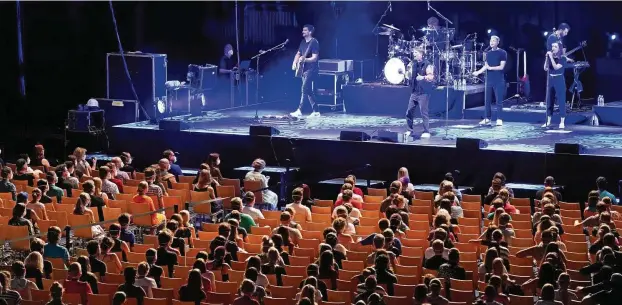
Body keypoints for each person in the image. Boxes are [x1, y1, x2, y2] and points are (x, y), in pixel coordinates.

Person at [473, 35, 507, 126]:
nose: (491, 42)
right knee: (487, 100)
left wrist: (491, 68)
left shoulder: (502, 53)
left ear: (497, 42)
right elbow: (486, 66)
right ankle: (487, 118)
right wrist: (478, 72)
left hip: (499, 79)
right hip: (489, 79)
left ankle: (499, 119)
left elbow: (501, 67)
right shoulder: (488, 53)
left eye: (494, 41)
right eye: (491, 41)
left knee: (498, 100)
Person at [290, 24, 320, 119]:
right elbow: (298, 53)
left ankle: (300, 110)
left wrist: (305, 60)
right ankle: (316, 111)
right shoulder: (303, 42)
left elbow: (315, 58)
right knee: (308, 90)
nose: (303, 32)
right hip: (303, 69)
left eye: (305, 30)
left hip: (311, 69)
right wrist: (295, 62)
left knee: (304, 88)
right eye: (303, 30)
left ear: (310, 32)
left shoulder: (314, 42)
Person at [405, 47, 436, 139]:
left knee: (423, 112)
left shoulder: (427, 64)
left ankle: (426, 131)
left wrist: (422, 77)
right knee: (409, 111)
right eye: (413, 52)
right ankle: (409, 130)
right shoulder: (413, 63)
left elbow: (431, 76)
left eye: (416, 52)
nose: (414, 54)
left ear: (421, 54)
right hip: (414, 92)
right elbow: (409, 75)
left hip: (423, 92)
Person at [542, 42, 568, 129]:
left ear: (559, 48)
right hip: (551, 79)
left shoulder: (562, 58)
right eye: (552, 46)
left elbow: (556, 67)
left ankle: (562, 121)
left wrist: (550, 58)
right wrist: (547, 58)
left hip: (559, 79)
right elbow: (545, 68)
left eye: (555, 46)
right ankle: (548, 121)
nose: (553, 48)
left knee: (561, 100)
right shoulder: (550, 57)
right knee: (549, 100)